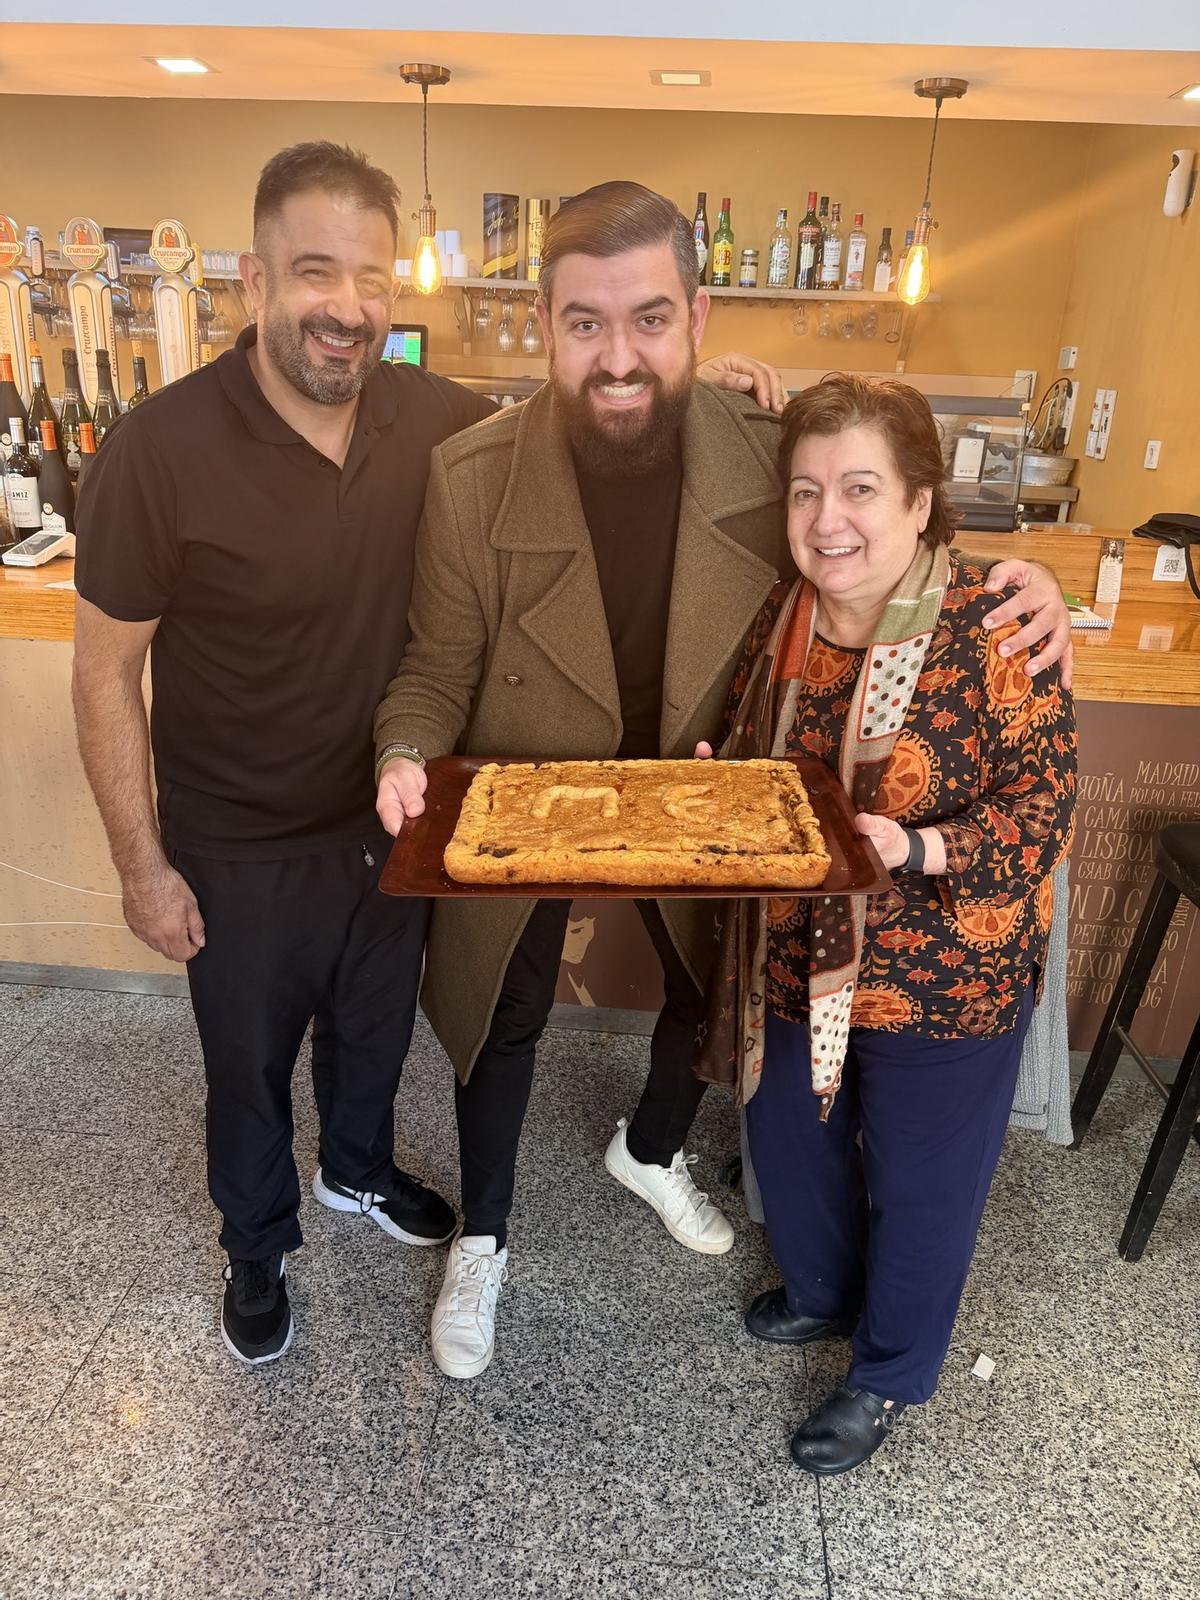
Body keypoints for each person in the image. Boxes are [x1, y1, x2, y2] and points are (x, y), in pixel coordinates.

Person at [71, 142, 799, 1369]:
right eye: (314, 273)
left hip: (393, 822)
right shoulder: (157, 446)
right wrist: (144, 866)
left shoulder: (434, 414)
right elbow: (103, 672)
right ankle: (258, 1246)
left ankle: (356, 1170)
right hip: (243, 831)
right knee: (250, 1061)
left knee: (376, 1035)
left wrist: (716, 392)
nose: (345, 307)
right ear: (255, 280)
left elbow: (605, 415)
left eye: (368, 277)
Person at [372, 181, 1072, 1383]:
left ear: (697, 314)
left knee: (712, 989)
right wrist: (400, 750)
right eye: (584, 322)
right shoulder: (470, 475)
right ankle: (484, 1234)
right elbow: (435, 666)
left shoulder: (768, 448)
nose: (618, 354)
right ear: (544, 321)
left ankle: (651, 1150)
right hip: (536, 793)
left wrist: (1022, 577)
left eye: (648, 317)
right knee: (505, 1010)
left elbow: (880, 499)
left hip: (710, 793)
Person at [698, 373, 1076, 1475]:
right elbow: (754, 749)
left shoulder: (998, 629)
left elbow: (1043, 812)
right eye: (808, 490)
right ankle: (821, 1295)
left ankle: (888, 1372)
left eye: (861, 488)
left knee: (921, 1183)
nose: (829, 520)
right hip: (794, 950)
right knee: (789, 1140)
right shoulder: (788, 611)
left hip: (947, 971)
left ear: (921, 502)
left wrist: (914, 847)